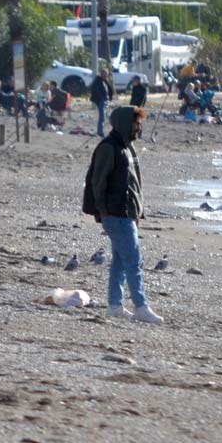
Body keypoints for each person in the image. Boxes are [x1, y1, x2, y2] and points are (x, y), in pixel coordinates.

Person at [89, 106, 162, 324]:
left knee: (120, 261)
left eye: (139, 124)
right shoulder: (108, 147)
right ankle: (141, 306)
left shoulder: (127, 148)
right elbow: (97, 182)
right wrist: (102, 211)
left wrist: (137, 212)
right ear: (124, 123)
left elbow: (134, 185)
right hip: (115, 214)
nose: (139, 128)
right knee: (133, 260)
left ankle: (115, 306)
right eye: (136, 124)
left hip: (127, 213)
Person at [89, 68, 114, 138]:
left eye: (106, 74)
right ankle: (100, 133)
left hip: (105, 100)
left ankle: (102, 131)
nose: (105, 75)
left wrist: (109, 97)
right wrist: (101, 98)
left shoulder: (105, 81)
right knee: (102, 116)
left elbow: (109, 90)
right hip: (100, 100)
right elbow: (95, 90)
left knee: (105, 116)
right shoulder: (97, 81)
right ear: (101, 74)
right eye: (104, 74)